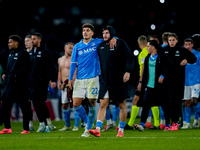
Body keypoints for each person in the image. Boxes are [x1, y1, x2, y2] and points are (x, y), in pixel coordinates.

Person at [68, 23, 117, 137]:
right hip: (79, 79)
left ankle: (88, 129)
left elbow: (108, 38)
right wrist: (71, 78)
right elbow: (73, 63)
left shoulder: (97, 42)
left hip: (93, 78)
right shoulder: (77, 46)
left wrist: (115, 38)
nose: (85, 32)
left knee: (91, 104)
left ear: (92, 33)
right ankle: (87, 123)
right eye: (84, 30)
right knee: (75, 104)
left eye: (88, 30)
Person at [88, 25, 134, 137]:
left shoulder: (120, 43)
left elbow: (130, 58)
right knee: (103, 104)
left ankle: (121, 130)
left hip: (119, 79)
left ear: (112, 34)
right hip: (105, 80)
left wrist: (128, 71)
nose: (105, 35)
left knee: (121, 105)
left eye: (107, 33)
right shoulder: (100, 46)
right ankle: (98, 129)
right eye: (103, 33)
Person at [162, 33, 197, 131]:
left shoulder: (182, 50)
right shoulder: (164, 50)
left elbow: (194, 58)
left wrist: (186, 59)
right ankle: (169, 123)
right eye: (170, 40)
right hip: (167, 81)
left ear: (176, 40)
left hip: (178, 81)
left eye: (173, 40)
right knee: (167, 102)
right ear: (168, 41)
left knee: (176, 102)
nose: (171, 42)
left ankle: (175, 122)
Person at [0, 35, 31, 134]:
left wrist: (16, 75)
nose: (8, 44)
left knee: (24, 107)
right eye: (8, 42)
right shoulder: (10, 54)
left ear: (16, 43)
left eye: (10, 42)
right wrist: (5, 73)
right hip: (10, 85)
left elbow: (27, 68)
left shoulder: (24, 54)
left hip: (20, 86)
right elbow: (9, 67)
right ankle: (7, 127)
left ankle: (26, 128)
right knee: (5, 105)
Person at [139, 40, 171, 130]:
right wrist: (141, 83)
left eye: (148, 46)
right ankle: (142, 124)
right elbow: (145, 72)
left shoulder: (162, 57)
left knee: (164, 105)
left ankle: (168, 124)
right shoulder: (147, 57)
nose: (147, 48)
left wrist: (162, 75)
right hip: (149, 85)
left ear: (153, 47)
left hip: (160, 86)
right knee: (145, 104)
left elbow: (169, 67)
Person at [29, 33, 57, 132]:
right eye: (32, 39)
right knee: (39, 102)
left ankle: (42, 123)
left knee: (37, 102)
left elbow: (52, 67)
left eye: (34, 39)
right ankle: (47, 124)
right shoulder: (31, 53)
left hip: (42, 82)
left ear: (39, 40)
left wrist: (53, 80)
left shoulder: (45, 52)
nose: (32, 41)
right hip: (32, 82)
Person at [57, 42, 80, 131]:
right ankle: (67, 125)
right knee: (64, 105)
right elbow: (60, 71)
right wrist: (59, 81)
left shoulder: (75, 59)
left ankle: (76, 125)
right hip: (64, 84)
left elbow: (76, 71)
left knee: (76, 104)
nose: (72, 50)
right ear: (65, 48)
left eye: (73, 48)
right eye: (70, 48)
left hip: (73, 83)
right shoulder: (60, 59)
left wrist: (72, 81)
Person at [181, 38, 200, 129]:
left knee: (195, 101)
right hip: (186, 82)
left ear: (192, 45)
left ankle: (196, 120)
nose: (187, 46)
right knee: (187, 102)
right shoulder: (182, 54)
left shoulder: (198, 55)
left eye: (189, 44)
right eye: (186, 45)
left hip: (196, 81)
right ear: (184, 45)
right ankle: (188, 123)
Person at [24, 35, 35, 131]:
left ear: (32, 41)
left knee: (37, 102)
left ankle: (45, 123)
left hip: (34, 82)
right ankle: (30, 123)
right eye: (25, 41)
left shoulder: (35, 53)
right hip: (25, 83)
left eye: (28, 40)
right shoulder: (23, 54)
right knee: (26, 104)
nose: (26, 42)